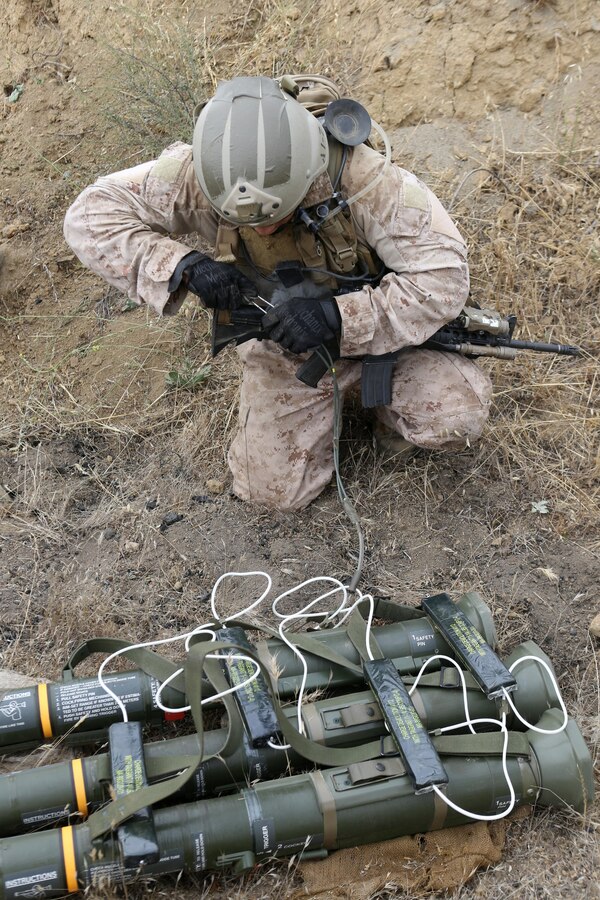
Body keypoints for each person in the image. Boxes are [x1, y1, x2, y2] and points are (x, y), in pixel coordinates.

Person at [63, 74, 491, 511]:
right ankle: (320, 409)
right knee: (271, 494)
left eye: (277, 215)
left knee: (456, 417)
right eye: (248, 222)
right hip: (288, 351)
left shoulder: (367, 179)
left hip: (391, 341)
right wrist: (182, 266)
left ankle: (382, 413)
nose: (263, 229)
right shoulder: (204, 170)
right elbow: (89, 214)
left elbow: (443, 280)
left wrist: (338, 318)